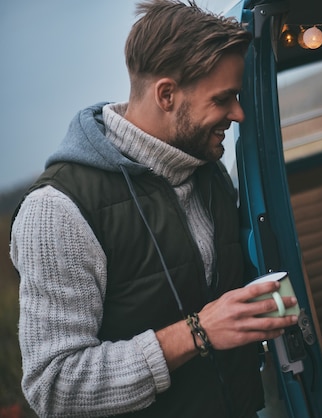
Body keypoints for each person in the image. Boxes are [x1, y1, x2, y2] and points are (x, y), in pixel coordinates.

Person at [9, 1, 299, 417]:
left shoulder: (208, 171)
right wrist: (196, 334)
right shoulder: (58, 210)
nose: (238, 114)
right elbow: (53, 387)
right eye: (223, 99)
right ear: (166, 94)